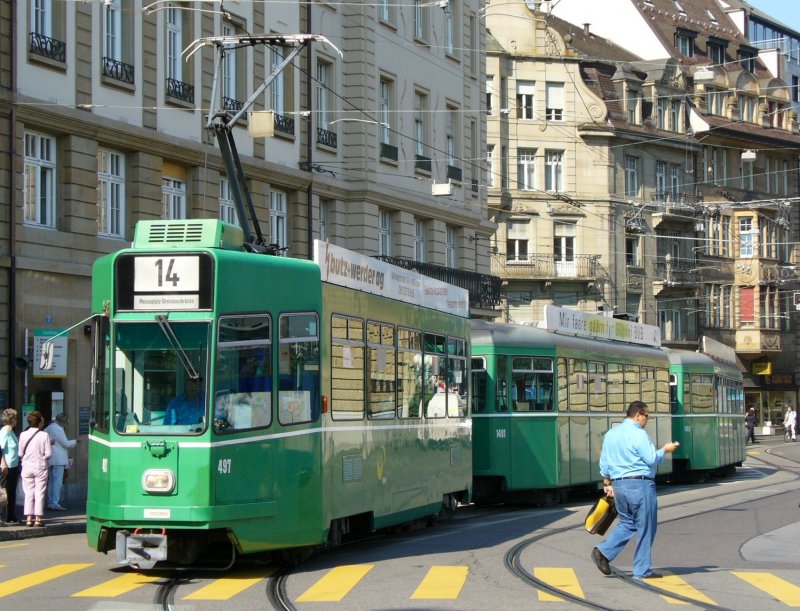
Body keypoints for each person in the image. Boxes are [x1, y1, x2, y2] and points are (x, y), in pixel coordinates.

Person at [590, 401, 679, 581]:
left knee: (627, 523)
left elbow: (604, 463)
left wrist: (607, 482)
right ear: (638, 414)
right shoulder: (639, 434)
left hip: (619, 485)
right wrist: (665, 450)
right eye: (647, 416)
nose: (647, 419)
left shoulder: (611, 434)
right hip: (640, 485)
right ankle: (642, 570)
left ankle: (603, 551)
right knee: (646, 527)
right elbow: (651, 459)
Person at [19, 411, 51, 527]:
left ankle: (28, 518)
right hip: (40, 466)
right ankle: (38, 518)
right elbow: (48, 453)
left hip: (26, 466)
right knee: (39, 492)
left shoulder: (23, 434)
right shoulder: (44, 435)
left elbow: (20, 452)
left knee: (28, 493)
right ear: (39, 422)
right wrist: (42, 456)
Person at [45, 413, 76, 510]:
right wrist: (76, 441)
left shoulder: (48, 428)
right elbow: (66, 444)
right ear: (63, 421)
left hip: (50, 458)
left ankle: (51, 502)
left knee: (50, 482)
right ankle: (54, 503)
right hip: (58, 459)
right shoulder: (58, 429)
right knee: (57, 482)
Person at [0, 409, 22, 524]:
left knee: (12, 491)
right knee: (3, 492)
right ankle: (1, 516)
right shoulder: (4, 432)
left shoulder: (11, 432)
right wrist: (3, 463)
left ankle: (11, 515)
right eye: (16, 418)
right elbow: (0, 449)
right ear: (12, 419)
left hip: (14, 465)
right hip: (6, 466)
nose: (17, 420)